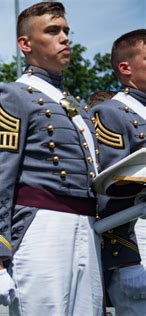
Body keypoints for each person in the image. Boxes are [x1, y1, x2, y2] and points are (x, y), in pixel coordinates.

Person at [0, 2, 103, 315]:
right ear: (25, 44)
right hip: (41, 228)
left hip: (86, 225)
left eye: (67, 31)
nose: (64, 38)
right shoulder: (12, 95)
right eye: (53, 31)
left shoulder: (77, 106)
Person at [91, 29, 146, 315]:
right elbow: (108, 196)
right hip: (138, 241)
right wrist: (127, 260)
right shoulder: (111, 113)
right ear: (126, 68)